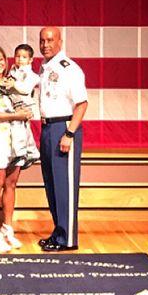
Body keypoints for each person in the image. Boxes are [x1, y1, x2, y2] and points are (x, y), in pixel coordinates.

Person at [37, 26, 88, 252]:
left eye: (50, 40)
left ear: (60, 41)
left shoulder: (69, 69)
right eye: (42, 41)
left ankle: (67, 239)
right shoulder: (45, 67)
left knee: (64, 186)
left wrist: (69, 133)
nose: (45, 45)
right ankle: (58, 233)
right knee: (52, 185)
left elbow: (82, 103)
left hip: (64, 127)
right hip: (48, 128)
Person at [0, 45, 33, 252]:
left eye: (0, 59)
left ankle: (7, 228)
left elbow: (25, 100)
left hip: (16, 139)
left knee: (11, 184)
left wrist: (26, 111)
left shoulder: (12, 81)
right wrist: (16, 115)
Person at [4, 44, 41, 169]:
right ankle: (33, 152)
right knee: (25, 129)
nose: (20, 59)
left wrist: (14, 84)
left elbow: (25, 89)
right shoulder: (13, 70)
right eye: (18, 56)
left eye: (24, 57)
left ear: (30, 60)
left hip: (24, 105)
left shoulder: (31, 75)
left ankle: (20, 154)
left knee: (18, 127)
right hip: (15, 104)